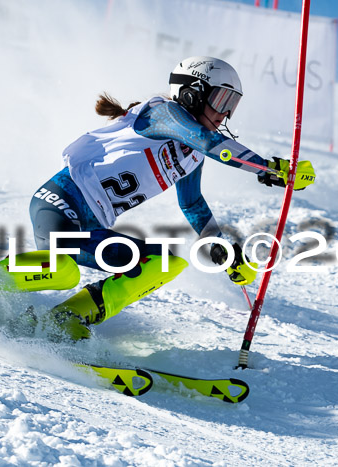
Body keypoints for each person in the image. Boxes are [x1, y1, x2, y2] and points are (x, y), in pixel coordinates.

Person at [21, 56, 315, 340]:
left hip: (91, 224)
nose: (224, 114)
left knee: (161, 263)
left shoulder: (191, 156)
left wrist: (221, 248)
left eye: (232, 106)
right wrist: (270, 168)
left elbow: (192, 204)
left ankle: (68, 317)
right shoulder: (163, 113)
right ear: (192, 94)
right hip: (60, 202)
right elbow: (209, 142)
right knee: (63, 270)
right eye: (222, 101)